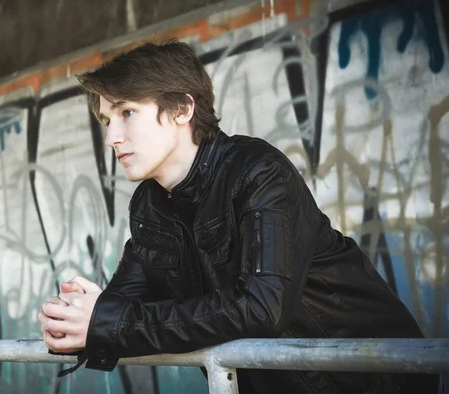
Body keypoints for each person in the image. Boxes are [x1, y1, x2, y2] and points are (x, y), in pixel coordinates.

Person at [38, 39, 440, 393]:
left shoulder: (258, 172)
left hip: (368, 382)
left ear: (181, 109)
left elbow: (262, 307)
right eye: (107, 121)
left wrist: (107, 319)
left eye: (126, 113)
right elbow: (121, 309)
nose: (111, 138)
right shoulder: (150, 204)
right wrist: (74, 321)